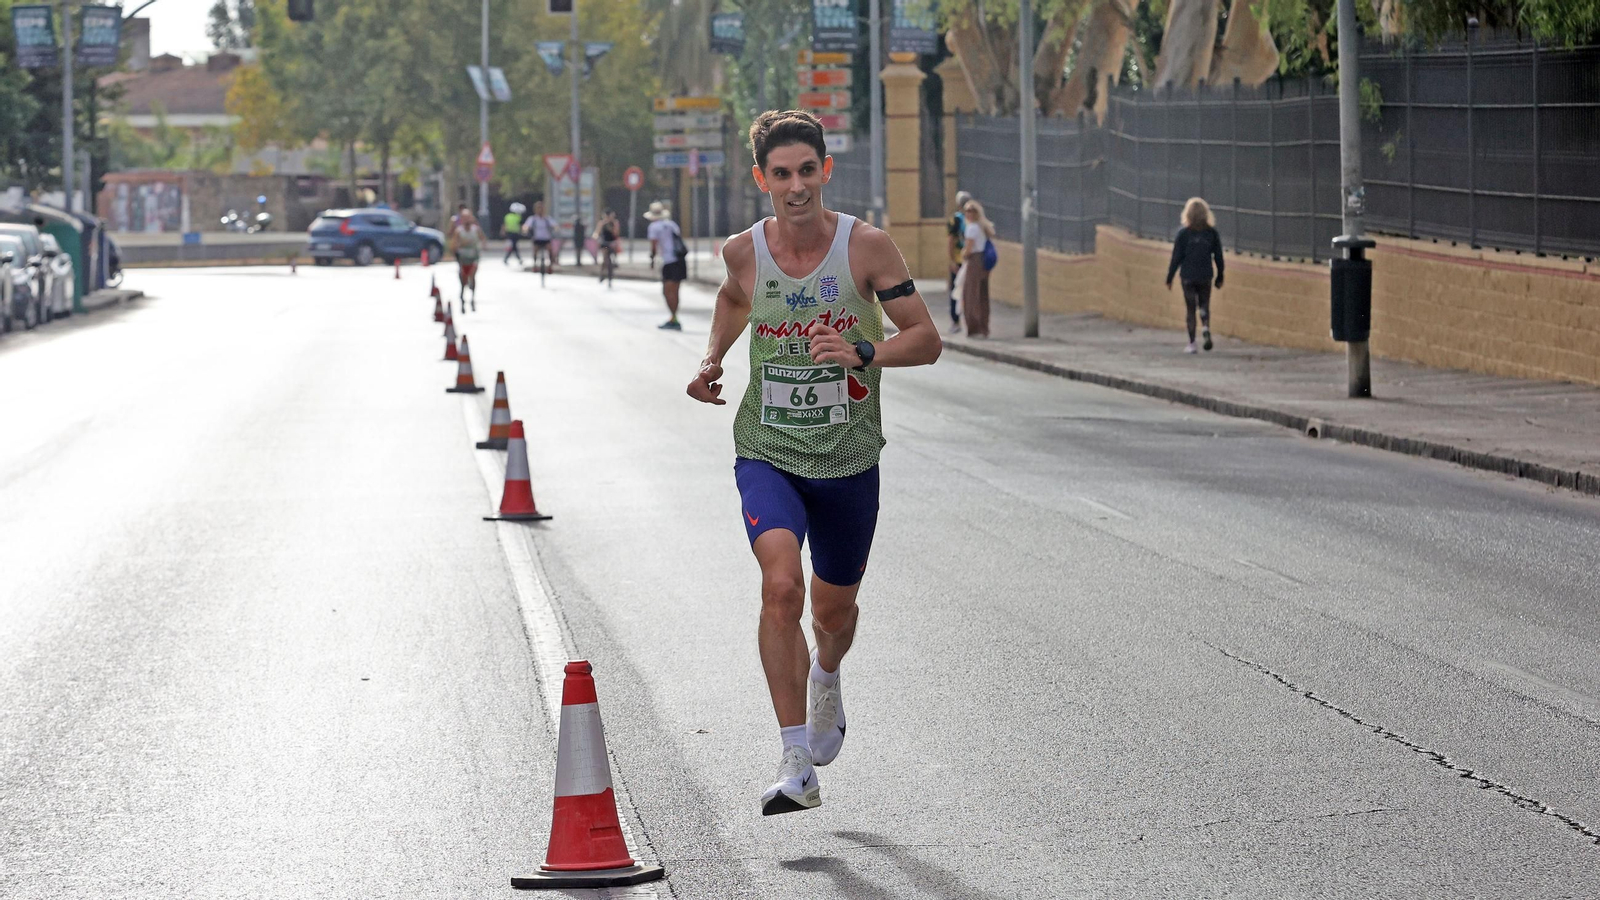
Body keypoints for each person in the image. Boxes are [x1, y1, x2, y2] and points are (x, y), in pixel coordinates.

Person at [684, 109, 942, 816]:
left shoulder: (868, 248)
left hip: (850, 457)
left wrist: (866, 351)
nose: (795, 187)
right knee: (779, 589)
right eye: (781, 174)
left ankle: (826, 673)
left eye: (807, 171)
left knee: (833, 613)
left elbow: (926, 338)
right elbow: (736, 300)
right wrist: (711, 360)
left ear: (825, 171)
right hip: (768, 448)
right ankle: (796, 758)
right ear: (761, 178)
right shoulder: (744, 252)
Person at [1165, 196, 1225, 353]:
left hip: (1188, 276)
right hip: (1205, 274)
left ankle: (1192, 343)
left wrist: (1169, 277)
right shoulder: (1211, 234)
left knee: (1190, 308)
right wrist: (1220, 276)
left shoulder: (1183, 234)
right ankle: (1205, 325)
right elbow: (1218, 257)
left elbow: (1176, 257)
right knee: (1204, 304)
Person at [958, 199, 995, 338]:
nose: (968, 213)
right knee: (982, 294)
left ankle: (974, 327)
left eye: (970, 211)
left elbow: (968, 249)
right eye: (967, 210)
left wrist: (962, 255)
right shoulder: (981, 227)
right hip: (983, 261)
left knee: (971, 294)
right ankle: (984, 326)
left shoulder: (972, 228)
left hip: (974, 261)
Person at [646, 201, 685, 330]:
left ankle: (674, 318)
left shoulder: (654, 227)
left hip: (669, 261)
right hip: (680, 260)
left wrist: (652, 260)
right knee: (676, 291)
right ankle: (674, 317)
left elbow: (653, 246)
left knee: (667, 291)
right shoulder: (672, 225)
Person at [447, 209, 485, 309]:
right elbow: (453, 244)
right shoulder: (459, 231)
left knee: (472, 275)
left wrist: (482, 246)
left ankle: (472, 296)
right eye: (464, 218)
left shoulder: (476, 229)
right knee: (463, 277)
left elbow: (483, 239)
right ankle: (462, 294)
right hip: (463, 257)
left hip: (473, 256)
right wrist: (456, 248)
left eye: (468, 218)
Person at [945, 190, 970, 332]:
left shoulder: (964, 219)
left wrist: (952, 260)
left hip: (964, 260)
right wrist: (952, 261)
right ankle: (956, 320)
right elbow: (951, 241)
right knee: (957, 290)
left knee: (960, 291)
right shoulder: (959, 220)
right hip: (962, 260)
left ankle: (960, 321)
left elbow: (950, 241)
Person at [523, 201, 558, 274]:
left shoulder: (547, 218)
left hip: (546, 238)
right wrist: (525, 230)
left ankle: (550, 267)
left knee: (550, 250)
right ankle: (535, 265)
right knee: (535, 251)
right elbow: (526, 226)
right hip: (537, 238)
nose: (540, 210)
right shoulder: (532, 219)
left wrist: (556, 229)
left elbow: (555, 225)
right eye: (538, 208)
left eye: (541, 208)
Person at [592, 210, 620, 283]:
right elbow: (596, 232)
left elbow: (616, 233)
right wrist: (596, 238)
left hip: (612, 243)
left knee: (612, 258)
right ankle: (603, 273)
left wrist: (611, 226)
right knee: (606, 258)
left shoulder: (614, 223)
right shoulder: (602, 223)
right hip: (604, 243)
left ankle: (607, 273)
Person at [503, 202, 525, 266]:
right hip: (515, 234)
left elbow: (504, 225)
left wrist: (503, 231)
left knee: (512, 246)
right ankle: (518, 259)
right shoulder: (518, 217)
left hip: (509, 233)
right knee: (514, 246)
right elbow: (521, 225)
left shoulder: (507, 216)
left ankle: (507, 258)